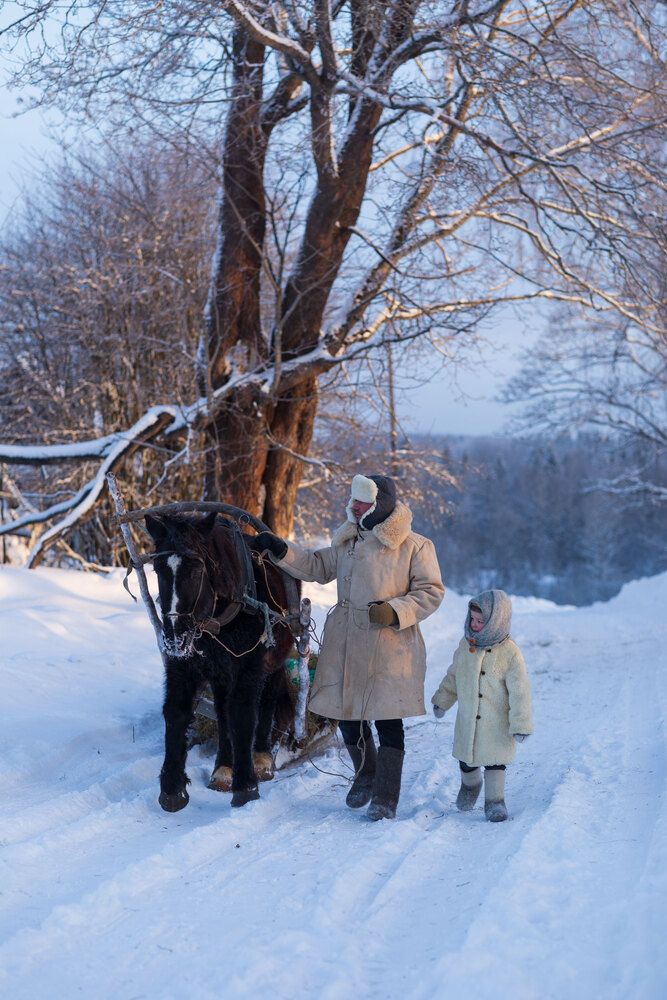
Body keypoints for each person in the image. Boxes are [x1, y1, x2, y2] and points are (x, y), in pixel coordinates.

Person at [250, 474, 444, 820]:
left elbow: (431, 591)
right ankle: (366, 774)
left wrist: (396, 610)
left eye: (363, 503)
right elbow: (317, 566)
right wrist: (281, 549)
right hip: (346, 640)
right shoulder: (348, 541)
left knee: (387, 719)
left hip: (389, 643)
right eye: (353, 501)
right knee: (346, 714)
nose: (354, 508)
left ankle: (386, 796)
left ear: (380, 505)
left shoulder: (415, 546)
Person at [431, 589, 532, 821]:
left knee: (496, 762)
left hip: (496, 721)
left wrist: (521, 724)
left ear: (496, 621)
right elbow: (453, 676)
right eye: (472, 620)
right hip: (468, 718)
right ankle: (470, 785)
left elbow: (520, 692)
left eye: (480, 621)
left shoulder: (510, 652)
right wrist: (442, 700)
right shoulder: (466, 645)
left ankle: (495, 801)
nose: (474, 625)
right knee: (466, 760)